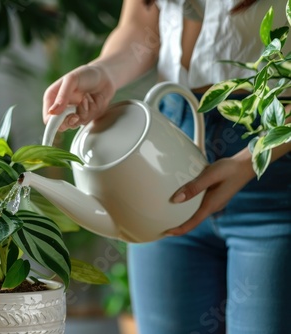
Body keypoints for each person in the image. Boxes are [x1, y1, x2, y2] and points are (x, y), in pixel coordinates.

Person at [42, 1, 291, 333]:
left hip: (273, 161)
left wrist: (250, 159)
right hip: (165, 147)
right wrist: (104, 72)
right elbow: (140, 24)